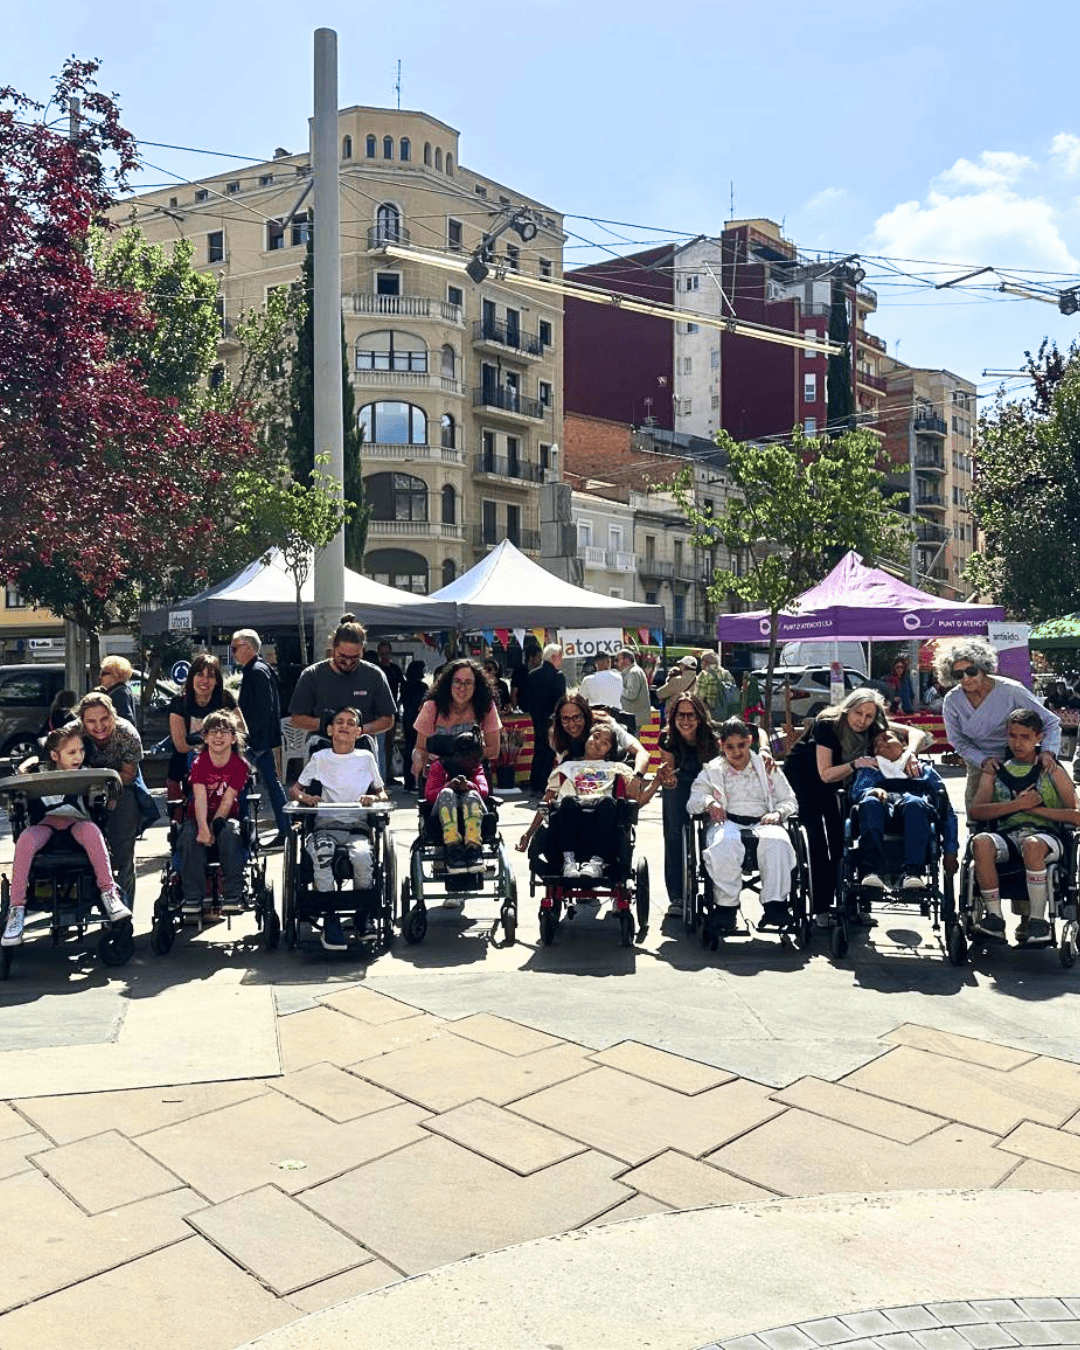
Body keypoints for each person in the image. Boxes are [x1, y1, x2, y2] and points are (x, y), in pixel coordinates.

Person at [783, 687, 928, 923]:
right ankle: (821, 909)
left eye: (869, 716)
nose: (862, 720)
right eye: (858, 713)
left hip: (843, 781)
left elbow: (915, 733)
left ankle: (855, 904)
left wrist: (910, 753)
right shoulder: (827, 725)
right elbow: (825, 774)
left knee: (847, 841)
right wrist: (855, 764)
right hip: (808, 780)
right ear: (847, 709)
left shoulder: (873, 725)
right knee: (819, 842)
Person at [1, 725, 131, 947]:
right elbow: (18, 778)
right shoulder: (38, 772)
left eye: (81, 750)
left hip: (76, 824)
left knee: (93, 831)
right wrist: (26, 765)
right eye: (71, 752)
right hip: (45, 825)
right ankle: (17, 908)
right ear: (54, 755)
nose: (78, 757)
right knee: (25, 839)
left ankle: (109, 893)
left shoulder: (87, 773)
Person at [969, 707, 1080, 945]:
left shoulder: (1052, 770)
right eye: (1012, 736)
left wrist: (1035, 810)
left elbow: (1077, 815)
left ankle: (1037, 922)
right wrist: (1017, 805)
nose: (1017, 743)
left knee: (1031, 845)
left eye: (1025, 737)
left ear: (1039, 737)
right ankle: (995, 918)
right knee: (980, 843)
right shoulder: (995, 771)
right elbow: (976, 811)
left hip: (1046, 836)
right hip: (1008, 835)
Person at [686, 717, 798, 933]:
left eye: (741, 745)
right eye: (730, 747)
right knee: (723, 844)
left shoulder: (767, 766)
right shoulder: (712, 770)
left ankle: (775, 905)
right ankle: (726, 908)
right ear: (721, 745)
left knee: (779, 842)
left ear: (749, 741)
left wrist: (778, 812)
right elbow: (693, 801)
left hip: (764, 821)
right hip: (727, 821)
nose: (736, 752)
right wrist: (710, 803)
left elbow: (789, 800)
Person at [291, 706, 387, 948]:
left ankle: (363, 914)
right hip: (325, 826)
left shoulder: (366, 758)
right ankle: (330, 917)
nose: (345, 726)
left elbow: (382, 793)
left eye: (351, 723)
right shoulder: (320, 758)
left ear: (358, 732)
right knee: (322, 853)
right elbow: (295, 790)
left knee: (363, 857)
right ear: (330, 730)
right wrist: (306, 798)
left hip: (357, 827)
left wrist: (373, 798)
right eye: (340, 722)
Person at [517, 720, 659, 878]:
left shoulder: (619, 769)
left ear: (609, 751)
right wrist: (529, 833)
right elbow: (545, 802)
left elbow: (636, 801)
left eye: (605, 743)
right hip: (567, 820)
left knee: (607, 802)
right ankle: (568, 861)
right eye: (596, 737)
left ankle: (596, 862)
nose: (598, 743)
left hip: (603, 820)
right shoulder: (566, 767)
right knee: (568, 801)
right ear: (586, 738)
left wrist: (657, 781)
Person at [938, 637, 1062, 813]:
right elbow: (956, 739)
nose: (966, 678)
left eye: (971, 671)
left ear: (983, 668)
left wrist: (1047, 752)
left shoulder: (1011, 690)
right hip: (979, 763)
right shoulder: (952, 700)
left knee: (1025, 812)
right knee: (977, 815)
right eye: (958, 675)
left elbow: (1050, 722)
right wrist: (983, 761)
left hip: (1019, 758)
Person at [849, 728, 959, 893]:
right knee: (870, 802)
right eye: (876, 744)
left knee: (914, 802)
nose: (881, 744)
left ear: (904, 745)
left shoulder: (923, 770)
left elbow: (945, 808)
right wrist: (872, 792)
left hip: (915, 815)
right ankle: (872, 871)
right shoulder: (870, 770)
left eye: (886, 738)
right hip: (881, 814)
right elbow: (857, 792)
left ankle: (913, 873)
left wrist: (951, 850)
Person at [178, 709, 249, 917]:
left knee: (231, 832)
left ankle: (233, 894)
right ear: (205, 737)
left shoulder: (240, 765)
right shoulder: (199, 763)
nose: (218, 736)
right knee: (188, 834)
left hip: (225, 818)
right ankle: (192, 895)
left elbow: (228, 801)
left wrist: (213, 828)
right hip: (198, 817)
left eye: (224, 731)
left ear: (233, 737)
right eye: (213, 731)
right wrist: (203, 828)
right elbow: (199, 798)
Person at [77, 692, 144, 908]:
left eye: (104, 718)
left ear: (112, 715)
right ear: (82, 721)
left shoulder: (127, 734)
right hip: (80, 792)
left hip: (120, 788)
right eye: (91, 721)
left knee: (124, 852)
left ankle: (125, 910)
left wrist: (99, 778)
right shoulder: (73, 733)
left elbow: (128, 776)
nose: (99, 726)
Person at [657, 693, 720, 917]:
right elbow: (669, 769)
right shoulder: (667, 738)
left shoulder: (713, 735)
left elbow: (756, 732)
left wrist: (764, 750)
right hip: (681, 779)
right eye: (680, 715)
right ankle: (677, 896)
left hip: (709, 781)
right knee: (675, 832)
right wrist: (668, 778)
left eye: (691, 715)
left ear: (700, 717)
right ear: (673, 718)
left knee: (717, 831)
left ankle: (718, 891)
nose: (685, 721)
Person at [289, 615, 396, 747]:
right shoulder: (312, 675)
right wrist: (327, 725)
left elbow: (388, 720)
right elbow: (296, 719)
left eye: (355, 657)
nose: (348, 662)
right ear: (333, 648)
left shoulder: (374, 675)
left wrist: (359, 730)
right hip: (323, 747)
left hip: (361, 747)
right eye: (343, 657)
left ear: (362, 650)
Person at [231, 630, 288, 845]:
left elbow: (264, 709)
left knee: (240, 782)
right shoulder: (259, 669)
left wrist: (249, 737)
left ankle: (247, 832)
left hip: (257, 740)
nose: (233, 653)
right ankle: (284, 829)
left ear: (247, 647)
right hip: (261, 739)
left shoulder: (256, 671)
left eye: (235, 648)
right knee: (270, 783)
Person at [412, 658, 501, 783]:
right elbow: (420, 748)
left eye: (468, 683)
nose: (462, 688)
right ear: (448, 684)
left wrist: (462, 757)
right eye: (457, 682)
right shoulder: (432, 707)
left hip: (473, 774)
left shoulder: (486, 706)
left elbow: (494, 750)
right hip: (438, 774)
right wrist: (418, 760)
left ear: (476, 686)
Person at [167, 654, 241, 798]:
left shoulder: (226, 700)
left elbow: (242, 732)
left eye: (210, 676)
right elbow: (181, 746)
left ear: (217, 681)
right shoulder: (179, 703)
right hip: (185, 769)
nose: (204, 681)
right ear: (191, 678)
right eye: (200, 675)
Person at [424, 727, 489, 884]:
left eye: (477, 759)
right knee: (447, 794)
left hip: (472, 811)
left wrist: (470, 785)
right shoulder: (439, 766)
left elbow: (484, 790)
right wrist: (448, 785)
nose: (475, 763)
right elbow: (429, 794)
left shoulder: (476, 768)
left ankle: (473, 848)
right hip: (443, 815)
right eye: (471, 759)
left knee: (471, 796)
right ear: (457, 756)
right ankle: (453, 848)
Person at [549, 693, 650, 775]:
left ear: (586, 716)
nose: (572, 725)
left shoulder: (607, 726)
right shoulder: (556, 735)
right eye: (565, 719)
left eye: (577, 718)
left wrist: (636, 777)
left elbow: (642, 753)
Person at [528, 644, 566, 792]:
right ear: (554, 657)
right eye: (560, 656)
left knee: (539, 749)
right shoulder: (558, 675)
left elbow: (527, 700)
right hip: (552, 719)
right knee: (550, 751)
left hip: (537, 717)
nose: (561, 660)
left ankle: (535, 784)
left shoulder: (532, 674)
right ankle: (545, 784)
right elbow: (560, 701)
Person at [375, 641, 405, 785]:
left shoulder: (395, 669)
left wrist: (399, 704)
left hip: (391, 711)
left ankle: (388, 775)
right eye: (382, 653)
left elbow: (403, 687)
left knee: (389, 744)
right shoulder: (376, 670)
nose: (385, 656)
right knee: (378, 746)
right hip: (377, 712)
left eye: (387, 653)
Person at [400, 660, 428, 793]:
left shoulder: (405, 685)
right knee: (420, 749)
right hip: (419, 718)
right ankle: (419, 781)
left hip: (407, 717)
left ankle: (408, 781)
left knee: (409, 748)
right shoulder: (422, 686)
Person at [616, 648, 651, 733]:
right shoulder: (632, 671)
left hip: (634, 718)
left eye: (618, 660)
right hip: (634, 717)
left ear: (626, 660)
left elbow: (631, 694)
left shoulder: (633, 672)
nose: (616, 663)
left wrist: (617, 688)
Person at [94, 657, 137, 725]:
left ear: (117, 675)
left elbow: (126, 719)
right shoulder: (118, 690)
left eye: (104, 674)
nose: (99, 677)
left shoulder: (120, 693)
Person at [509, 648, 540, 713]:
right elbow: (514, 692)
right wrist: (515, 709)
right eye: (538, 657)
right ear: (531, 657)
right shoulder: (520, 671)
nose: (540, 659)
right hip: (522, 709)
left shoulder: (540, 672)